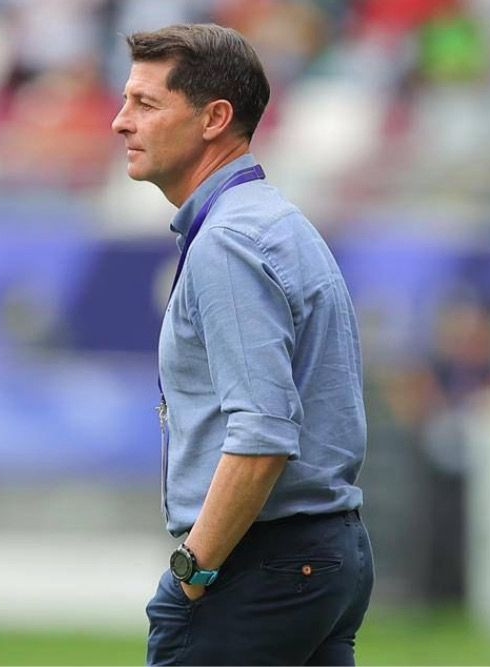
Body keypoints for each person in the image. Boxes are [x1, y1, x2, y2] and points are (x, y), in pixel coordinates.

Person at [112, 23, 372, 665]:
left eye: (146, 103)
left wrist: (192, 570)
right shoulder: (273, 221)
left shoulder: (229, 242)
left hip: (262, 563)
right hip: (320, 553)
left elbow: (262, 435)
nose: (121, 121)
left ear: (214, 119)